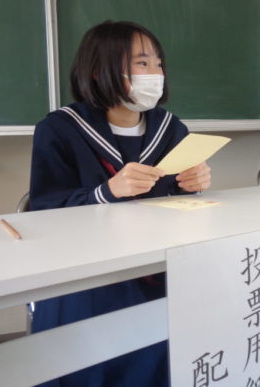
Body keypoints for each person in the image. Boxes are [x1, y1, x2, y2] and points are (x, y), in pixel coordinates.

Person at [29, 20, 211, 386]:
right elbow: (44, 209)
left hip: (158, 261)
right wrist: (105, 192)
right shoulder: (61, 129)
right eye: (142, 63)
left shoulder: (169, 127)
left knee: (194, 308)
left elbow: (175, 198)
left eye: (158, 63)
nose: (155, 74)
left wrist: (194, 183)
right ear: (99, 70)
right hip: (87, 270)